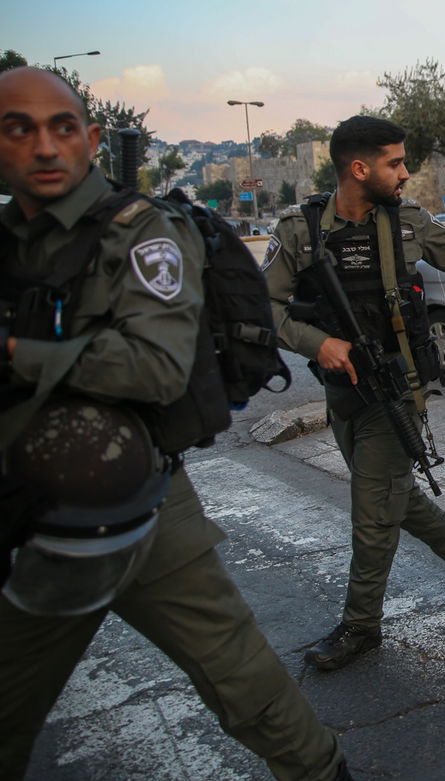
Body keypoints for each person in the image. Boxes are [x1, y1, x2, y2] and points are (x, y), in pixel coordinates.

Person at [0, 67, 351, 780]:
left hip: (142, 498)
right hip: (34, 501)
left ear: (91, 139)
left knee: (240, 675)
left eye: (62, 126)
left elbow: (155, 367)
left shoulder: (141, 234)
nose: (44, 146)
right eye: (18, 128)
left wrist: (15, 352)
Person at [264, 116, 445, 671]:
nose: (405, 172)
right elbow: (264, 306)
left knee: (372, 513)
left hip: (399, 388)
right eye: (394, 163)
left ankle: (361, 627)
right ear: (358, 168)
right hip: (342, 389)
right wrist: (317, 342)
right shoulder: (300, 229)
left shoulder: (409, 221)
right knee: (391, 496)